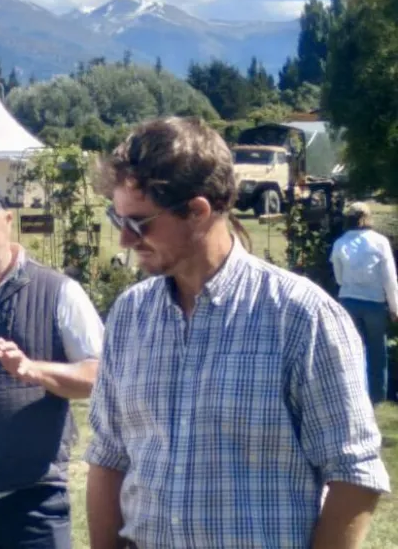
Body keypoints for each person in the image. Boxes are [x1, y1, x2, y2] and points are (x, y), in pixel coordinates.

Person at [83, 117, 391, 549]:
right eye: (117, 218)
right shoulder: (131, 316)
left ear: (198, 212)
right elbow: (108, 458)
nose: (124, 241)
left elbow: (353, 474)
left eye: (138, 223)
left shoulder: (301, 316)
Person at [0, 175, 104, 549]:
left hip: (36, 498)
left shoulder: (58, 291)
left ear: (7, 221)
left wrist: (32, 370)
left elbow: (100, 376)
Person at [330, 201, 398, 405]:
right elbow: (389, 278)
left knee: (352, 350)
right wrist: (395, 307)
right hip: (374, 302)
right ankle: (377, 396)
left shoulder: (340, 243)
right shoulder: (379, 242)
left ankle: (353, 393)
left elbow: (339, 278)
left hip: (349, 301)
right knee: (377, 351)